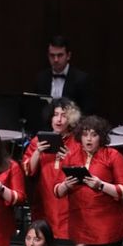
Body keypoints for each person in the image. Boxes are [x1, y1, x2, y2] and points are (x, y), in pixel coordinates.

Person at [57, 115, 123, 246]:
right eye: (85, 135)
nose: (88, 139)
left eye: (94, 135)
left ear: (101, 137)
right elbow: (57, 191)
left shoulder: (113, 156)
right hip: (80, 227)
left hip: (106, 229)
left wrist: (101, 185)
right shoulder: (72, 156)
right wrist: (66, 185)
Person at [22, 99, 81, 238]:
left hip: (68, 200)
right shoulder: (38, 140)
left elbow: (82, 170)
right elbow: (27, 170)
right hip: (44, 198)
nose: (59, 119)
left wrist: (68, 157)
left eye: (64, 115)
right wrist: (37, 152)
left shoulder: (77, 142)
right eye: (56, 114)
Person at [31, 35, 95, 126]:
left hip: (72, 130)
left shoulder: (82, 79)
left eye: (60, 55)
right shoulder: (41, 78)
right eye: (52, 55)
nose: (56, 59)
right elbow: (35, 109)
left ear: (68, 56)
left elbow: (87, 113)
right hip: (45, 129)